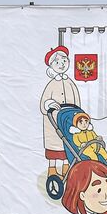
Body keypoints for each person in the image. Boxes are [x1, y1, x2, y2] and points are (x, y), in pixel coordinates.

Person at [39, 46, 82, 182]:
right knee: (55, 148)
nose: (62, 65)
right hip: (53, 123)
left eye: (64, 61)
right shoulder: (51, 85)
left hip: (69, 121)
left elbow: (77, 101)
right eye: (57, 62)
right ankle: (52, 170)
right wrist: (49, 104)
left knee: (68, 147)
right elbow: (43, 104)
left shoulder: (70, 83)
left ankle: (66, 169)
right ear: (52, 66)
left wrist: (78, 115)